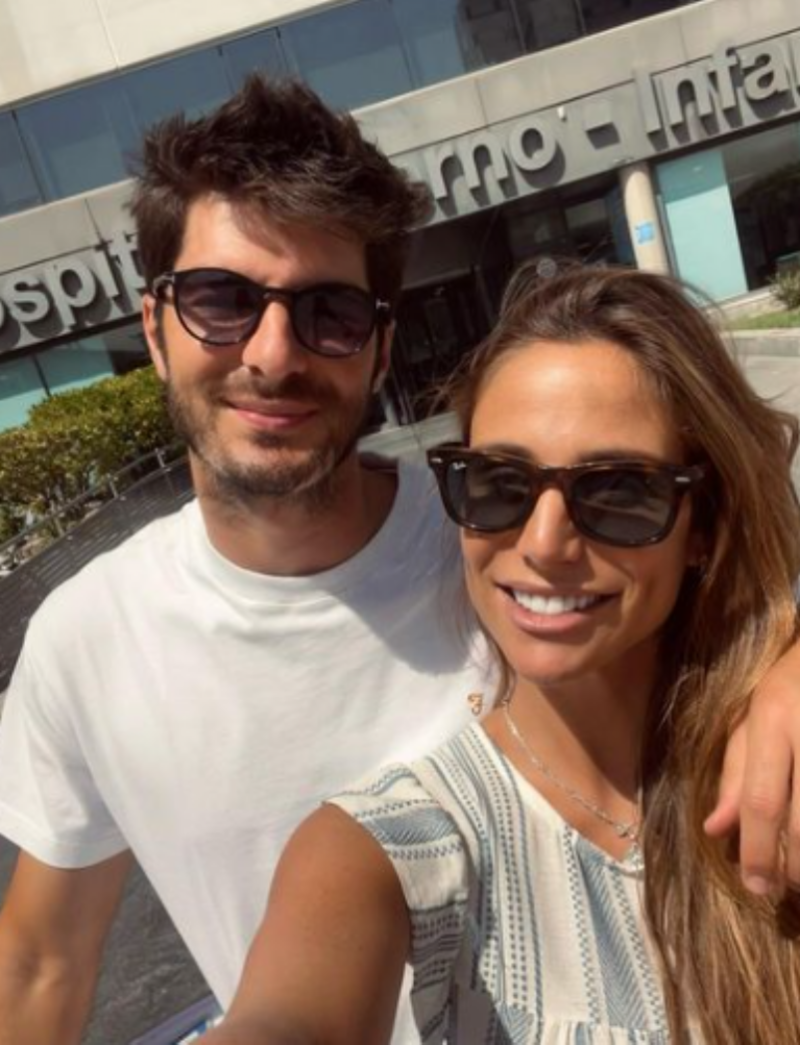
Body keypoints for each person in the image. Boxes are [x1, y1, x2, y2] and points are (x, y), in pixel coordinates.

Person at [0, 76, 796, 1045]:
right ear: (155, 328)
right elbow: (41, 963)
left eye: (328, 311)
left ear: (380, 347)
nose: (272, 353)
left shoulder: (492, 534)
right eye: (220, 300)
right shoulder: (84, 642)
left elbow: (730, 589)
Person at [202, 264, 800, 1045]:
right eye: (498, 481)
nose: (544, 543)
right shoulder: (390, 842)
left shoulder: (774, 762)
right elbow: (285, 1017)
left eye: (619, 489)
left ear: (704, 527)